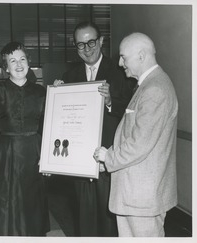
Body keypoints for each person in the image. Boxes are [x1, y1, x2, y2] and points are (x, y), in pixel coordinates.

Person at [52, 21, 134, 236]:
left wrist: (110, 102)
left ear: (101, 41)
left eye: (91, 42)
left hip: (110, 159)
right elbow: (63, 121)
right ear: (75, 47)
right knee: (83, 217)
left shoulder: (121, 71)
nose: (87, 49)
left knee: (110, 219)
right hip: (80, 160)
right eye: (81, 45)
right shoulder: (69, 76)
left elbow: (134, 110)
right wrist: (57, 99)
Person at [94, 32, 178, 237]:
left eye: (124, 57)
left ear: (141, 56)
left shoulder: (155, 89)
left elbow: (139, 144)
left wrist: (109, 156)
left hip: (141, 197)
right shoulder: (150, 85)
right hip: (137, 194)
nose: (121, 63)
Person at [0, 41, 49, 236]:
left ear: (29, 63)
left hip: (34, 152)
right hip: (5, 154)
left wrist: (50, 160)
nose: (18, 64)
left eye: (22, 59)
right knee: (5, 202)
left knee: (32, 201)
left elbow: (49, 128)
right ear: (5, 67)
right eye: (12, 61)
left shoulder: (41, 92)